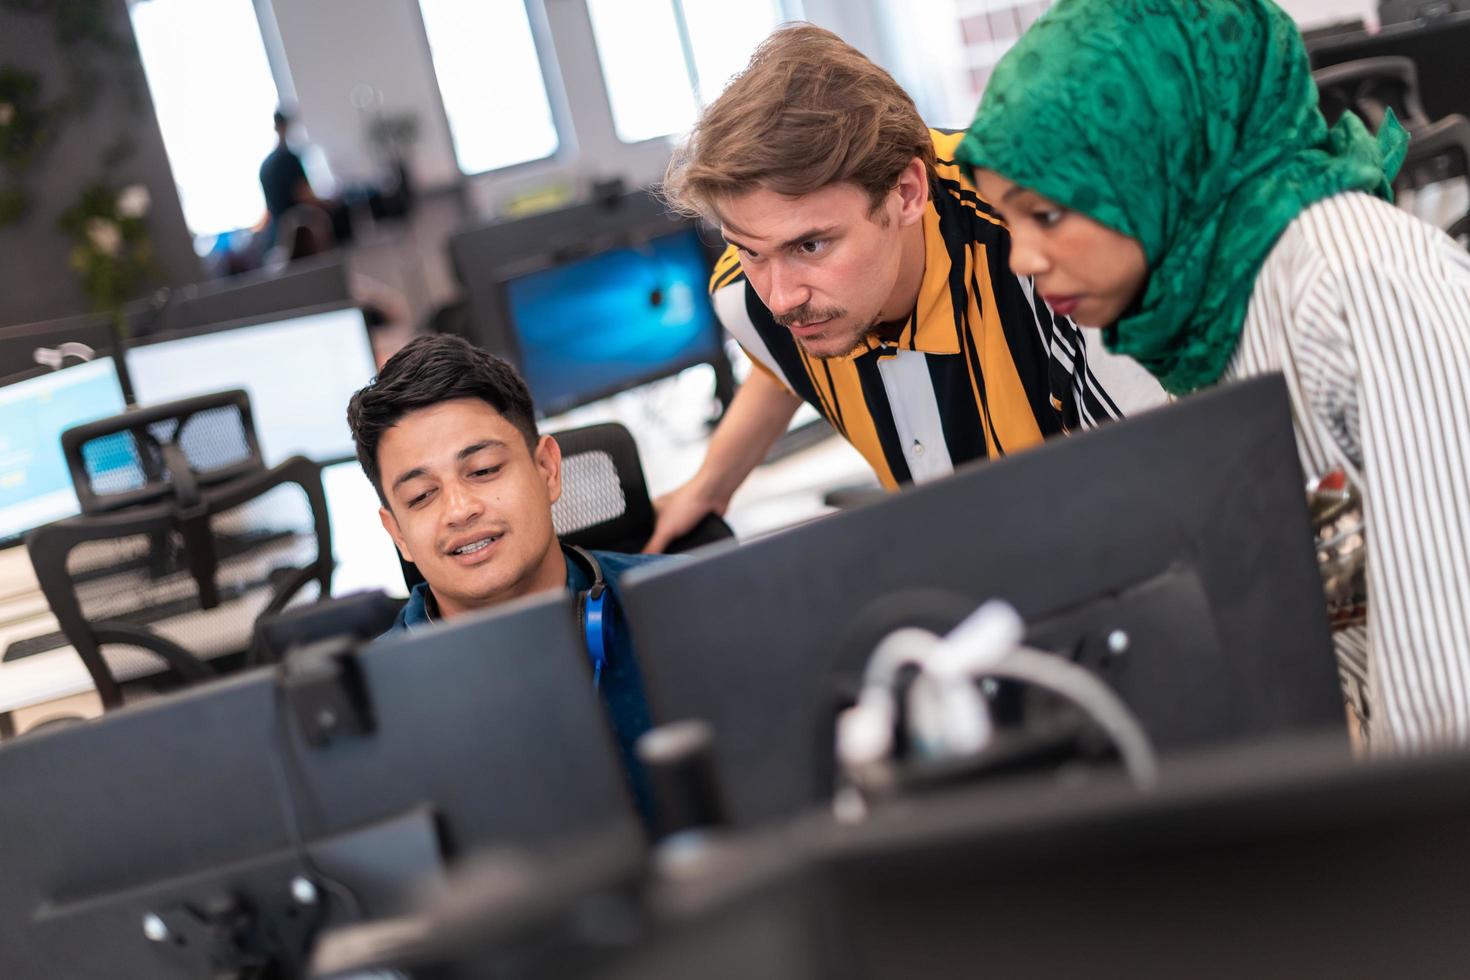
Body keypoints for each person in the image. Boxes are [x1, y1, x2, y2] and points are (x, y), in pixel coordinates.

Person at [956, 0, 1470, 751]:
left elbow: (1448, 675)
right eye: (1009, 223)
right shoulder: (1211, 311)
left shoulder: (1355, 285)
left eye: (1047, 214)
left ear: (1158, 157)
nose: (1022, 261)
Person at [647, 23, 1162, 552]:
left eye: (811, 246)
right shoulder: (750, 300)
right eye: (751, 250)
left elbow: (1169, 483)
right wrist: (710, 486)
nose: (781, 299)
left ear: (908, 193)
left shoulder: (1051, 252)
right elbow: (780, 364)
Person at [346, 334, 671, 820]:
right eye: (420, 497)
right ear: (397, 533)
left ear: (547, 469)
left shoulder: (683, 600)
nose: (459, 510)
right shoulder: (366, 711)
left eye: (483, 470)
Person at [259, 108, 333, 253]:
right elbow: (304, 195)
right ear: (285, 126)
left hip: (278, 236)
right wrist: (330, 204)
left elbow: (268, 209)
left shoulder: (265, 166)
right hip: (300, 233)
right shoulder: (289, 160)